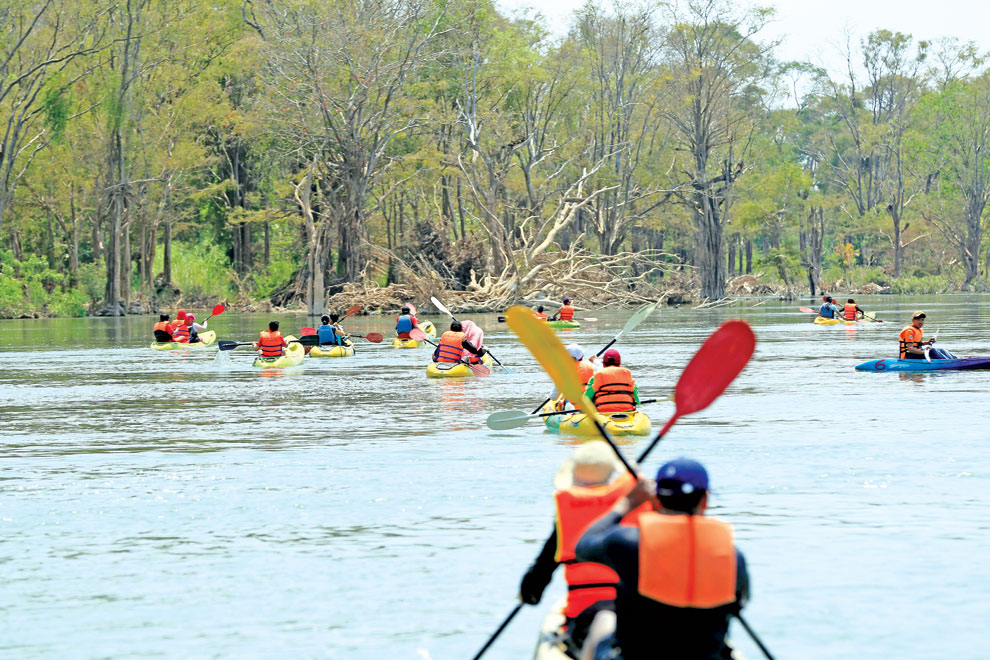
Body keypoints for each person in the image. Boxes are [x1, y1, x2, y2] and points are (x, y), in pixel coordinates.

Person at [575, 458, 750, 660]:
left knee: (604, 619)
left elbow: (582, 546)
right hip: (705, 656)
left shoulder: (628, 543)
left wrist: (628, 503)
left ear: (656, 499)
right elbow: (738, 603)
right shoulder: (733, 556)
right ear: (704, 501)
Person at [520, 442, 650, 655]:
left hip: (585, 616)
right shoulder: (642, 510)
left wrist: (528, 594)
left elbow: (532, 590)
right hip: (638, 614)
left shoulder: (566, 518)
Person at [584, 348, 639, 413]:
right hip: (627, 410)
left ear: (604, 363)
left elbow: (586, 399)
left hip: (603, 412)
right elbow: (637, 399)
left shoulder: (597, 375)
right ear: (619, 363)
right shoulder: (627, 374)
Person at [552, 344, 599, 410]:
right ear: (582, 356)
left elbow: (553, 397)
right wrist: (595, 361)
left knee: (561, 401)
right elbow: (604, 371)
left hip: (572, 410)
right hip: (590, 408)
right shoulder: (592, 366)